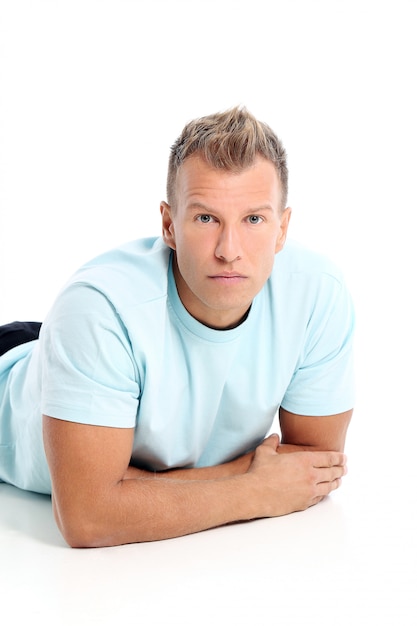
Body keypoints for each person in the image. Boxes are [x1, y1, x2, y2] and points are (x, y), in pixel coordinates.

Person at [0, 106, 354, 548]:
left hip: (93, 359)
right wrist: (253, 488)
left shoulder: (316, 292)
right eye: (206, 219)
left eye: (254, 220)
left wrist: (131, 490)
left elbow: (314, 467)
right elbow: (87, 517)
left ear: (282, 229)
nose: (229, 251)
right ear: (169, 224)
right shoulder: (97, 310)